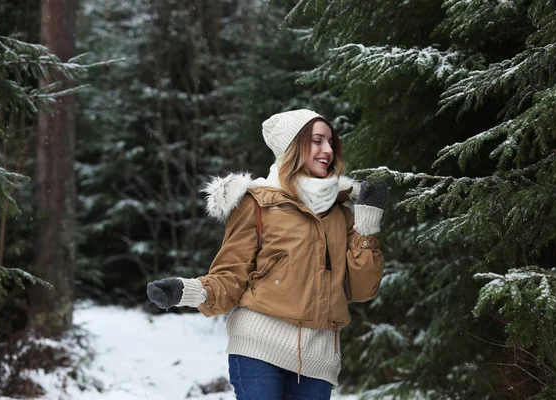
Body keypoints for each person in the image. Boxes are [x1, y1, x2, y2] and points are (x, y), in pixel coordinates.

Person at [147, 109, 387, 400]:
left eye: (330, 142)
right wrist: (185, 290)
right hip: (258, 347)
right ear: (292, 148)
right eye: (317, 141)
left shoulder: (342, 211)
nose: (328, 150)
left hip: (318, 357)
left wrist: (367, 225)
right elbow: (229, 277)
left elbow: (361, 289)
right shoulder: (257, 204)